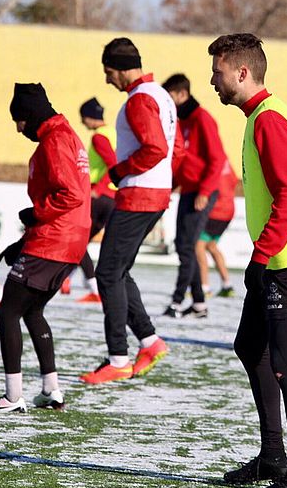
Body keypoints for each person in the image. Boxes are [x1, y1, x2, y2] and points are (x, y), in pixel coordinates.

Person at [209, 33, 287, 488]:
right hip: (280, 256)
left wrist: (262, 256)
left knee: (284, 362)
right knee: (249, 346)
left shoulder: (269, 119)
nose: (212, 82)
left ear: (241, 73)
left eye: (218, 73)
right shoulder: (259, 115)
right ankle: (272, 455)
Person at [0, 83, 90, 413]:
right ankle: (51, 390)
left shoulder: (54, 141)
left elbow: (71, 194)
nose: (18, 127)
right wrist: (23, 242)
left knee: (8, 311)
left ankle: (12, 397)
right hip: (68, 242)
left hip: (54, 240)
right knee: (32, 311)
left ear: (31, 115)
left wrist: (35, 214)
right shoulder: (66, 135)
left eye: (19, 120)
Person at [80, 37, 182, 384]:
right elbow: (176, 148)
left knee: (107, 274)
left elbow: (154, 149)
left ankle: (119, 358)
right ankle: (151, 343)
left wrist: (118, 171)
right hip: (155, 194)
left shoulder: (140, 99)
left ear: (122, 68)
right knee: (119, 272)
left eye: (109, 72)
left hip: (138, 195)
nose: (108, 80)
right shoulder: (162, 96)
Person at [161, 73, 227, 319]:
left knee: (187, 246)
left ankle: (178, 302)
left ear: (182, 94)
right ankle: (199, 304)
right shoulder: (182, 121)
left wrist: (205, 191)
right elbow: (182, 162)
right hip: (188, 191)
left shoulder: (202, 119)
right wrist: (169, 187)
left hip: (202, 193)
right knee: (182, 245)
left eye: (170, 96)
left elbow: (217, 159)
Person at [69, 97, 117, 304]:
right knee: (81, 242)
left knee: (76, 240)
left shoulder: (99, 137)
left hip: (101, 197)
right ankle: (65, 280)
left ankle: (93, 288)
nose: (82, 123)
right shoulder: (113, 132)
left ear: (90, 117)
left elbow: (112, 164)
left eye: (83, 118)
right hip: (114, 197)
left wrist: (99, 187)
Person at [197, 160, 238, 297]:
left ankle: (204, 287)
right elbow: (233, 181)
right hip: (228, 210)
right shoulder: (226, 162)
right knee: (212, 246)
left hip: (215, 210)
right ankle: (227, 285)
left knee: (198, 246)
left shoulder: (211, 162)